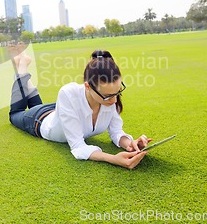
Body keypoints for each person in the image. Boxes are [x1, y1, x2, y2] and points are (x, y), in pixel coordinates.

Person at [8, 47, 151, 169]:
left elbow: (116, 132)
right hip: (38, 120)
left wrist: (130, 144)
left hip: (61, 111)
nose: (114, 101)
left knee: (37, 104)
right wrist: (113, 159)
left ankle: (23, 71)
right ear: (87, 86)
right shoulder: (68, 93)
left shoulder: (108, 99)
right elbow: (77, 146)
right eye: (107, 96)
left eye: (117, 92)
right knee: (16, 113)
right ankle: (22, 68)